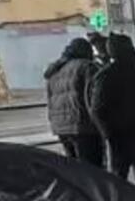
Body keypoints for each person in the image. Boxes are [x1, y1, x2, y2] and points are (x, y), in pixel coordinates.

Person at [93, 34, 135, 187]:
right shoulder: (107, 75)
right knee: (120, 179)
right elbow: (98, 109)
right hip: (121, 136)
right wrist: (109, 135)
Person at [44, 38, 104, 167]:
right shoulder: (87, 67)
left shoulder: (55, 71)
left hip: (61, 128)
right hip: (83, 126)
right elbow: (95, 97)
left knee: (75, 169)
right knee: (92, 170)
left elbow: (50, 100)